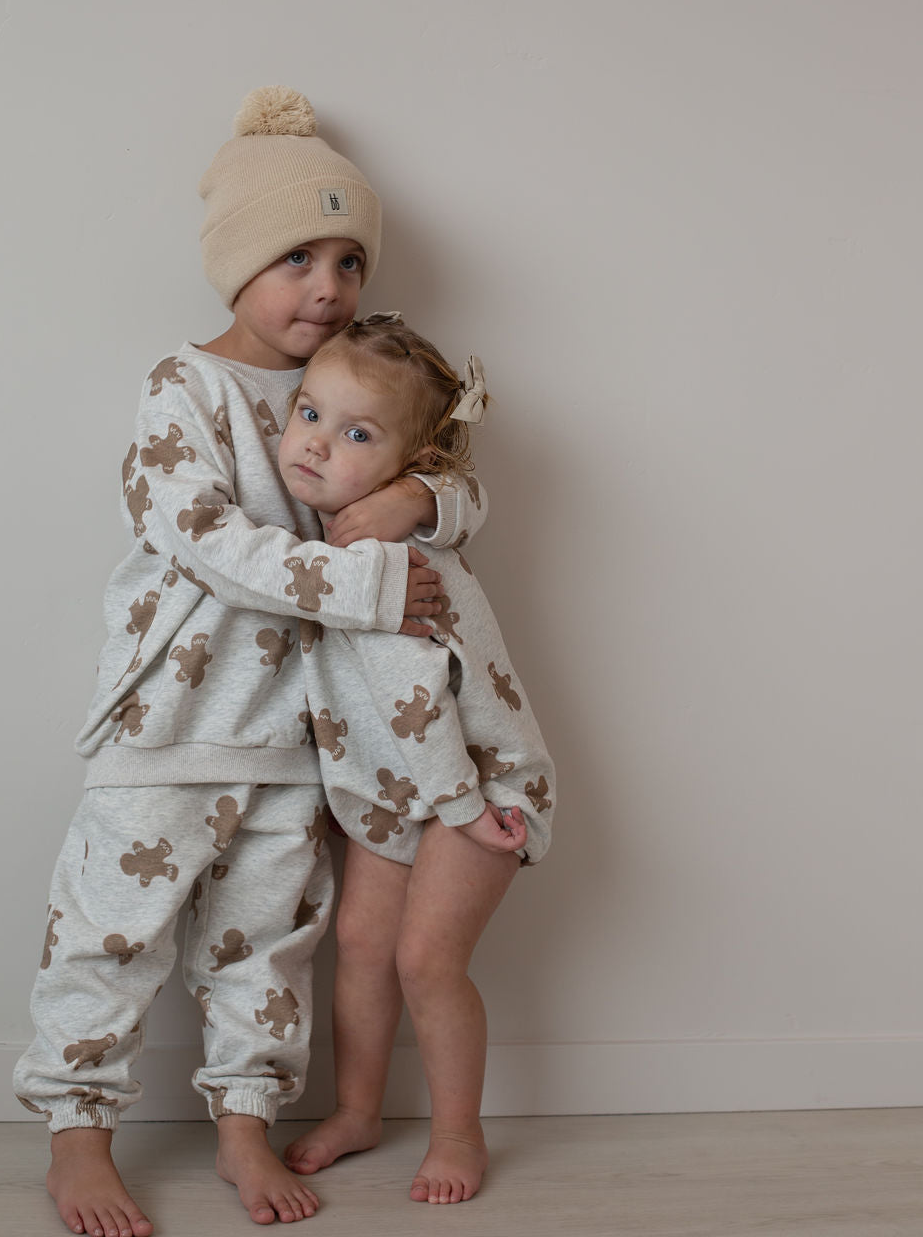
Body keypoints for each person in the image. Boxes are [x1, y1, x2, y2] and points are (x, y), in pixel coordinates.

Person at [12, 89, 486, 1235]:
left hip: (300, 733)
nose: (326, 287)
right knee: (109, 934)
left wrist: (425, 496)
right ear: (234, 264)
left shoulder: (367, 374)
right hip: (168, 726)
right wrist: (374, 576)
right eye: (295, 257)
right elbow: (215, 545)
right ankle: (78, 1137)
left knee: (268, 945)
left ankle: (242, 1128)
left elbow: (459, 473)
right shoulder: (182, 392)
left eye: (347, 260)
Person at [275, 315, 555, 1206]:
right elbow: (458, 494)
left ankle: (457, 1134)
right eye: (310, 413)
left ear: (407, 466)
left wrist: (467, 809)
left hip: (476, 781)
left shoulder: (383, 555)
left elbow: (419, 700)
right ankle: (358, 1111)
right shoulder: (350, 530)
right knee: (360, 942)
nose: (317, 443)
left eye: (356, 434)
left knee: (425, 960)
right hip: (399, 793)